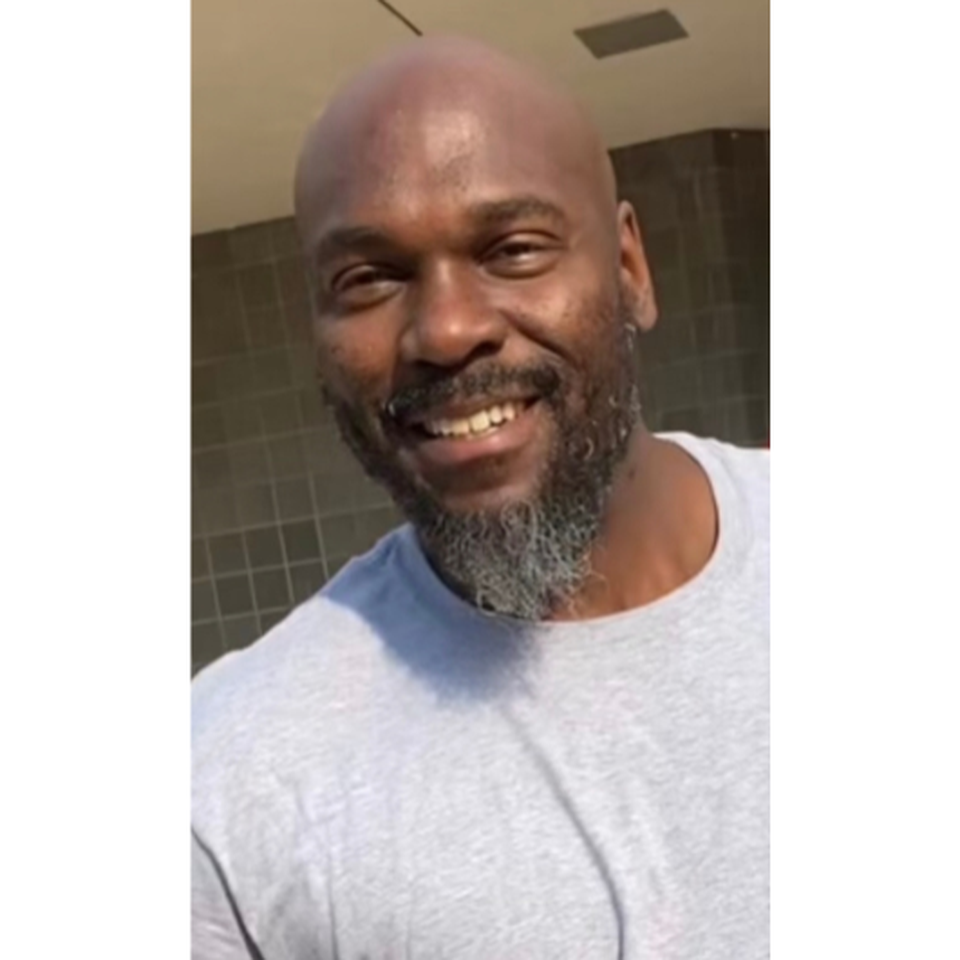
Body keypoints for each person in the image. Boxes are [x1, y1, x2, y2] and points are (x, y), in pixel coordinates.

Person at [192, 36, 769, 960]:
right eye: (368, 278)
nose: (448, 330)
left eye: (513, 249)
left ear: (630, 268)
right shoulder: (227, 786)